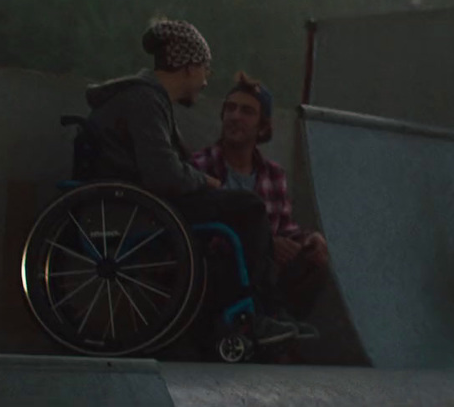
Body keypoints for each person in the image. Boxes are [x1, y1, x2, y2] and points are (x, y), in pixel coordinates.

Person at [83, 20, 298, 345]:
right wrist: (207, 183)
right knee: (251, 208)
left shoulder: (150, 101)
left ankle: (262, 312)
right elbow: (164, 174)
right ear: (188, 66)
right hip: (137, 210)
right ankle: (256, 315)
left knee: (244, 219)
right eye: (204, 70)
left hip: (141, 203)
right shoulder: (145, 101)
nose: (205, 81)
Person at [190, 73, 332, 324]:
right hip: (218, 269)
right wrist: (265, 245)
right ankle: (264, 327)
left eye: (247, 111)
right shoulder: (201, 165)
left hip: (267, 273)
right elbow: (194, 234)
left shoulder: (274, 174)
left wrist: (310, 239)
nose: (235, 116)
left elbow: (285, 228)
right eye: (230, 109)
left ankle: (281, 331)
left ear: (263, 126)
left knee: (315, 260)